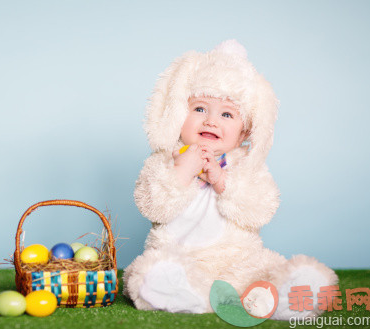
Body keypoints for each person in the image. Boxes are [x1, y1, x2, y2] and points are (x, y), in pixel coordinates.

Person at [123, 40, 338, 320]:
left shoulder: (246, 166)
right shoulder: (165, 159)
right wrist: (182, 171)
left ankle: (284, 295)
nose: (211, 121)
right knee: (149, 271)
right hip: (182, 259)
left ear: (245, 131)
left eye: (226, 114)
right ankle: (181, 291)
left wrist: (224, 182)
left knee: (267, 270)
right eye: (199, 109)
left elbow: (261, 209)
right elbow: (152, 206)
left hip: (237, 262)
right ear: (178, 113)